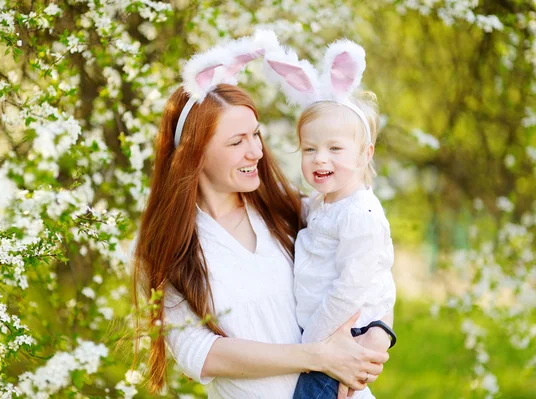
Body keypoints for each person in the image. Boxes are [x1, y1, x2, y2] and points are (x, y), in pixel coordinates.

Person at [132, 31, 392, 399]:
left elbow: (369, 267)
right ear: (194, 154)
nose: (255, 151)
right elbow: (200, 353)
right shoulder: (166, 247)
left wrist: (378, 334)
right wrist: (318, 357)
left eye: (256, 135)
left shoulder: (291, 211)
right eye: (236, 142)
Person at [265, 39, 396, 399]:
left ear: (364, 154)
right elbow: (301, 208)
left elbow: (350, 288)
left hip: (339, 338)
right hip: (325, 340)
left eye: (335, 149)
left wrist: (310, 346)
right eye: (310, 149)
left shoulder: (361, 214)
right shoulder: (326, 204)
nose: (320, 159)